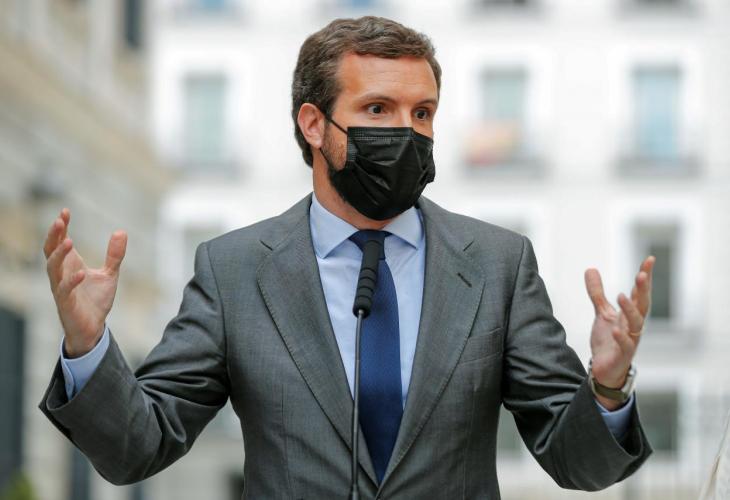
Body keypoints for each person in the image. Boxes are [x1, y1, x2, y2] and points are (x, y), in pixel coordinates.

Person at [40, 16, 655, 499]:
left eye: (422, 113)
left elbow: (579, 465)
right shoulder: (234, 272)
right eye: (378, 109)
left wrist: (606, 386)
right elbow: (139, 446)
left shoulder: (499, 265)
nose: (407, 132)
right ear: (314, 125)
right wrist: (88, 345)